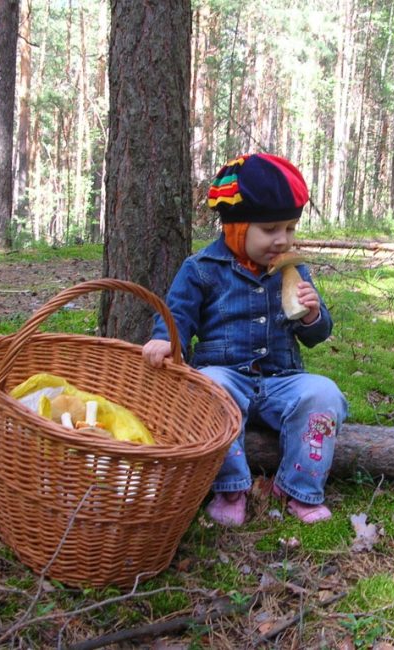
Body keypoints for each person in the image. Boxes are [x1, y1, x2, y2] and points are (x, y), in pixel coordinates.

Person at [142, 153, 348, 526]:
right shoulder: (202, 269)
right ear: (236, 227)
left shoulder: (293, 269)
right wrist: (167, 340)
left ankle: (298, 489)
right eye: (270, 229)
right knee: (208, 389)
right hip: (226, 374)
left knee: (323, 393)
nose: (282, 240)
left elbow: (316, 336)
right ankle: (230, 487)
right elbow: (177, 315)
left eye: (290, 228)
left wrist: (313, 315)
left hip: (281, 378)